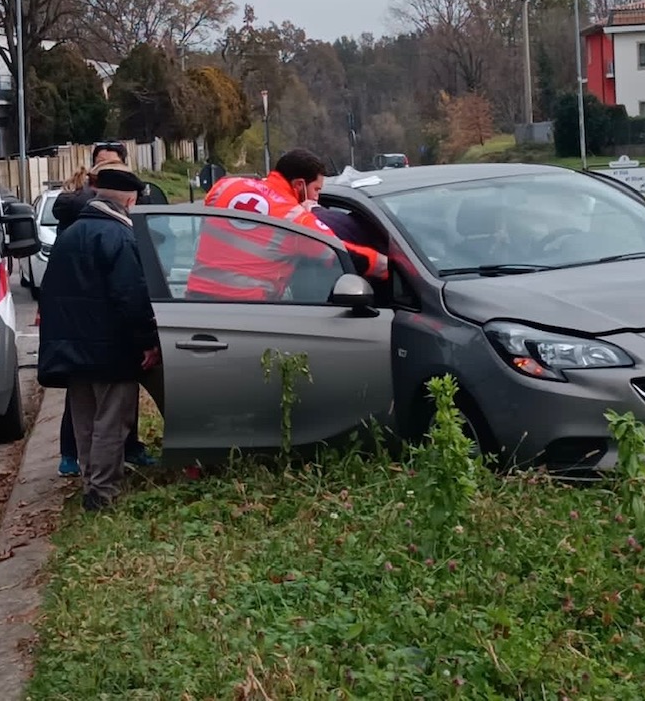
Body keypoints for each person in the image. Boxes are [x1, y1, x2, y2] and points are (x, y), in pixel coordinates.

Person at [38, 164, 162, 512]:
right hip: (111, 350)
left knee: (85, 422)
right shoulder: (120, 237)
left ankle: (91, 483)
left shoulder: (71, 234)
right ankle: (103, 493)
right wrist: (148, 342)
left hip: (73, 351)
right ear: (129, 199)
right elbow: (132, 298)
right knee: (111, 422)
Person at [186, 148, 388, 302]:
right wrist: (389, 265)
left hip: (195, 301)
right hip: (248, 309)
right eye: (316, 190)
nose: (317, 197)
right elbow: (341, 254)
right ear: (299, 185)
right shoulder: (295, 219)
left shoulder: (225, 186)